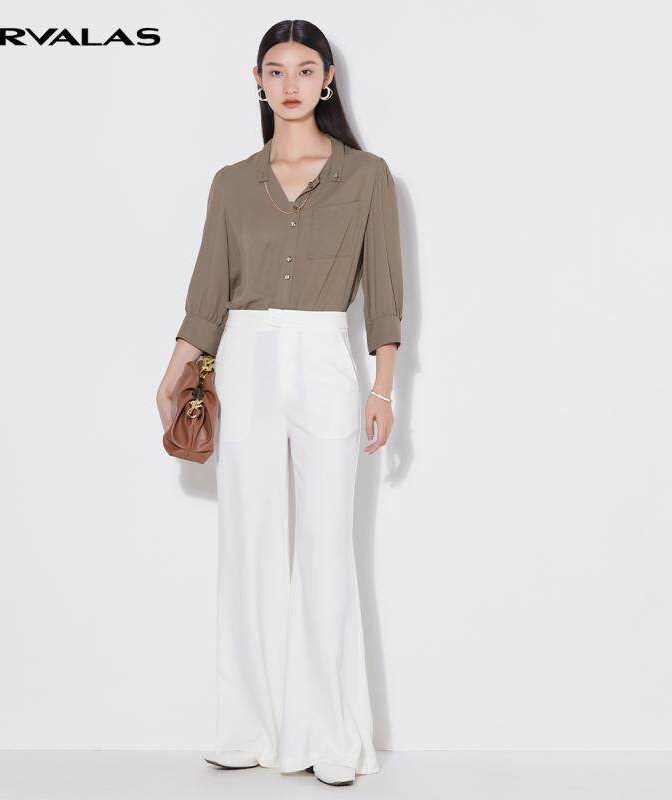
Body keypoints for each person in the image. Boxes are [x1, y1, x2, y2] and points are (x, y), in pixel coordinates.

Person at [155, 19, 403, 787]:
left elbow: (385, 293)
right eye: (275, 70)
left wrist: (383, 387)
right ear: (257, 81)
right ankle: (246, 728)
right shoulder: (232, 183)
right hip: (248, 360)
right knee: (248, 540)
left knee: (327, 546)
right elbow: (208, 294)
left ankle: (329, 736)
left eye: (304, 69)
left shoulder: (368, 177)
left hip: (327, 358)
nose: (289, 83)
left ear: (327, 80)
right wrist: (175, 373)